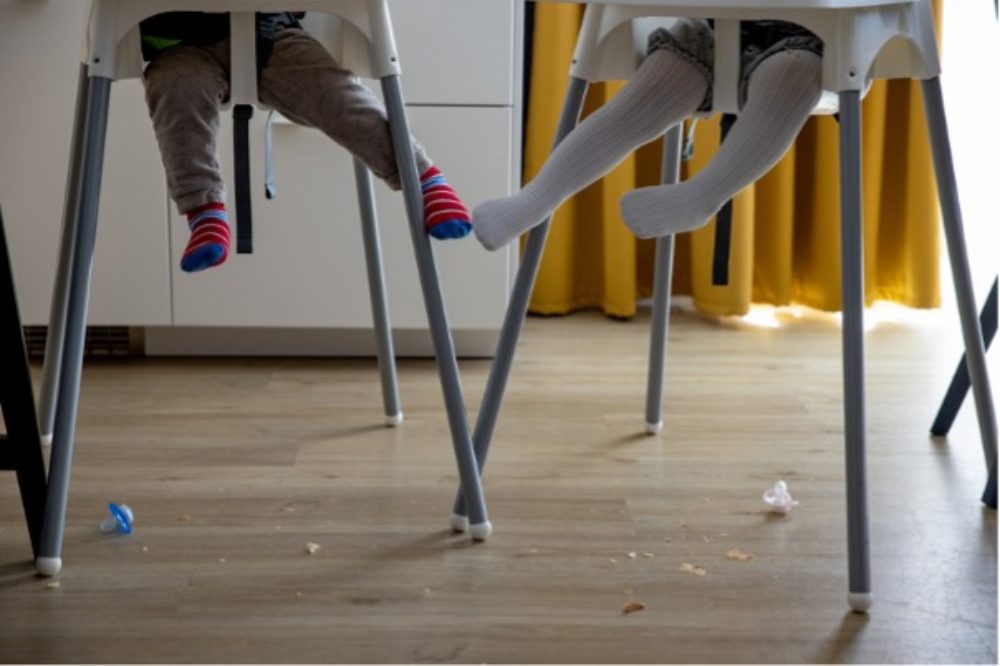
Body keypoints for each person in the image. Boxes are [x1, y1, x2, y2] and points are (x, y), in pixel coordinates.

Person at [140, 12, 472, 273]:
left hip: (268, 35)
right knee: (176, 91)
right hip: (178, 44)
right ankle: (204, 211)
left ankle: (424, 179)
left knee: (336, 95)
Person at [472, 19, 823, 251]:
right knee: (662, 81)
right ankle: (536, 198)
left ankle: (702, 196)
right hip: (709, 29)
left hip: (810, 34)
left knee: (793, 72)